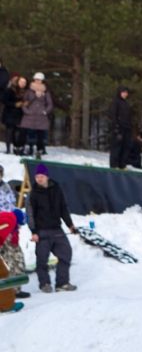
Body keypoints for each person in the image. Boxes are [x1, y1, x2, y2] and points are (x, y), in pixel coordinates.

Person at [25, 163, 77, 293]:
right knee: (42, 260)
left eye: (41, 176)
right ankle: (45, 283)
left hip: (56, 229)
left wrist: (70, 225)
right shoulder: (33, 194)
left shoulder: (57, 189)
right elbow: (29, 214)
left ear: (47, 176)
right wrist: (33, 231)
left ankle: (62, 283)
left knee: (66, 254)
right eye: (37, 177)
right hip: (41, 231)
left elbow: (64, 208)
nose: (39, 179)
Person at [0, 165, 28, 299]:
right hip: (0, 229)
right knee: (5, 262)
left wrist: (18, 217)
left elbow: (12, 205)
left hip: (11, 228)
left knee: (18, 259)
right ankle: (6, 292)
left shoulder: (6, 188)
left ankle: (16, 288)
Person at [20, 73, 53, 159]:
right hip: (30, 115)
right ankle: (24, 148)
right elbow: (24, 102)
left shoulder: (46, 92)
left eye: (39, 80)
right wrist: (26, 111)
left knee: (40, 134)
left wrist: (45, 112)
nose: (38, 81)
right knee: (26, 132)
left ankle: (40, 150)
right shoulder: (29, 91)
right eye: (36, 79)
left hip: (41, 116)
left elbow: (50, 104)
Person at [107, 85, 132, 169]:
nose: (125, 94)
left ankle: (122, 164)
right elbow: (112, 115)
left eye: (126, 93)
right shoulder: (115, 102)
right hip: (118, 128)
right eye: (123, 92)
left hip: (126, 128)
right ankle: (114, 165)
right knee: (116, 147)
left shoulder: (126, 103)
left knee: (125, 147)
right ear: (119, 93)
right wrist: (116, 128)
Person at [2, 75, 27, 155]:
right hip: (9, 113)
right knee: (9, 130)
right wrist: (15, 104)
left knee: (18, 131)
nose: (22, 84)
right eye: (21, 82)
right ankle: (8, 148)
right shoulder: (10, 90)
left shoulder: (26, 91)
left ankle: (17, 147)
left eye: (24, 82)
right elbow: (4, 101)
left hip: (20, 114)